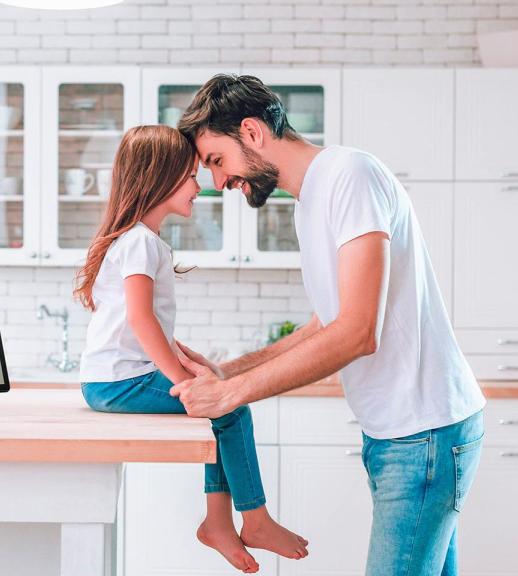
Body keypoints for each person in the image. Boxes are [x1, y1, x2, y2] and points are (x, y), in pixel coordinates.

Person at [170, 74, 486, 576]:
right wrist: (226, 373)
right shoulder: (311, 200)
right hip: (399, 433)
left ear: (251, 132)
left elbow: (359, 331)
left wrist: (234, 395)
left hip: (424, 433)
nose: (218, 182)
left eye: (216, 160)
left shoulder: (350, 175)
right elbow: (325, 324)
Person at [74, 124, 308, 574]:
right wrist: (186, 382)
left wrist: (189, 364)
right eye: (189, 176)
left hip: (111, 380)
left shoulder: (139, 240)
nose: (199, 186)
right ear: (158, 179)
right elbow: (142, 322)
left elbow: (142, 323)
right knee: (231, 409)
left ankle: (218, 523)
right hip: (120, 382)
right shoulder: (141, 241)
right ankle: (252, 520)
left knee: (221, 404)